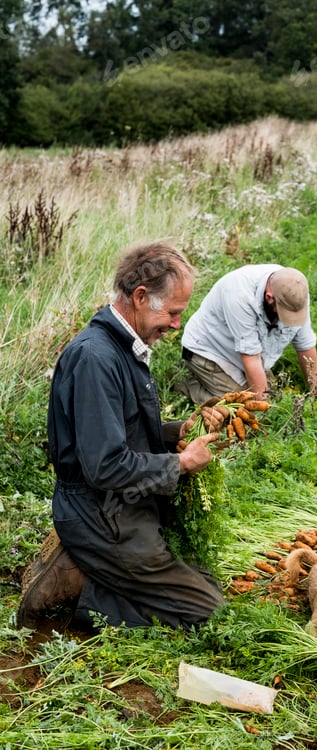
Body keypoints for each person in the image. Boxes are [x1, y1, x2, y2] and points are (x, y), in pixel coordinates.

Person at [17, 240, 227, 632]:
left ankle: (89, 574)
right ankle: (78, 591)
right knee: (209, 614)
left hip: (123, 506)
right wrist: (180, 463)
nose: (177, 324)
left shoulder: (125, 347)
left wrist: (177, 432)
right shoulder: (97, 358)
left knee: (208, 585)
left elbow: (123, 430)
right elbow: (105, 464)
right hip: (100, 514)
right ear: (141, 296)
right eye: (173, 312)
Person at [177, 264, 317, 403]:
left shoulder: (295, 293)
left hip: (244, 351)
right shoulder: (239, 295)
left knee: (276, 397)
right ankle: (184, 383)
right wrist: (265, 411)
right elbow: (251, 358)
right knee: (241, 408)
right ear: (269, 298)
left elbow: (305, 346)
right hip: (209, 351)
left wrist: (316, 392)